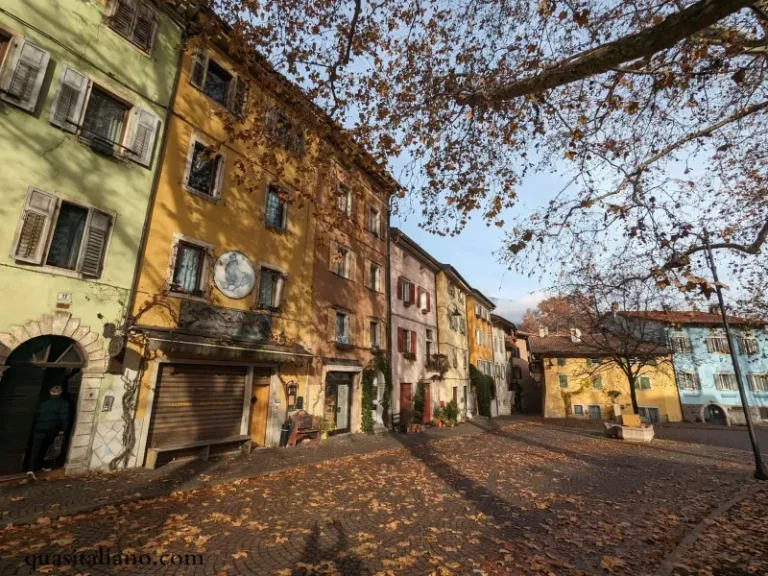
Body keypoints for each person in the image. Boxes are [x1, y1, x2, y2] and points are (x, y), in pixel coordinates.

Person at [28, 385, 70, 475]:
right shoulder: (63, 403)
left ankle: (31, 469)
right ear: (60, 392)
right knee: (48, 448)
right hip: (52, 429)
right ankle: (45, 466)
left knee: (35, 448)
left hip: (39, 428)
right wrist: (63, 429)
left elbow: (36, 414)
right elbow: (64, 417)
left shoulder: (43, 402)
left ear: (50, 392)